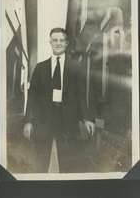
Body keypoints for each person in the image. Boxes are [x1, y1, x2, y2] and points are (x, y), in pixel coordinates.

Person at [23, 27, 95, 173]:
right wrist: (29, 121)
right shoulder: (40, 68)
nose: (58, 43)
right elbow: (33, 97)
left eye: (61, 40)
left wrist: (86, 118)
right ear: (50, 42)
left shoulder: (75, 67)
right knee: (41, 164)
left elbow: (80, 95)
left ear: (67, 43)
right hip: (44, 120)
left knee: (68, 165)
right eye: (55, 40)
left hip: (67, 120)